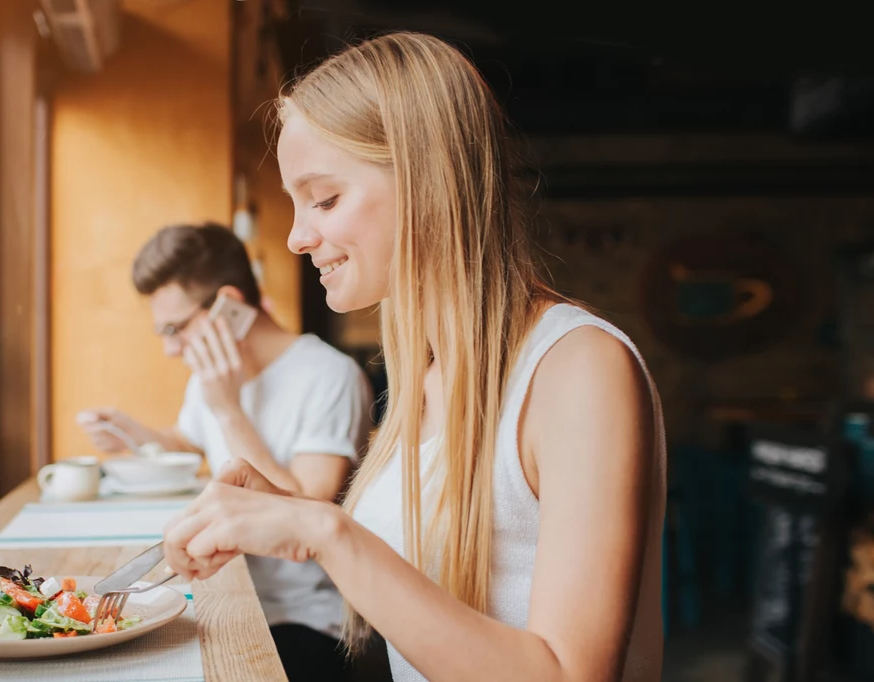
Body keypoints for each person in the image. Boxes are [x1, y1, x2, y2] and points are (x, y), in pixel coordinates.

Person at [162, 32, 667, 682]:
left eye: (324, 199)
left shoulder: (578, 369)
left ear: (428, 182)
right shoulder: (424, 374)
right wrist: (294, 521)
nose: (296, 236)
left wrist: (327, 532)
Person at [78, 223, 373, 681]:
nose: (170, 348)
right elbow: (189, 440)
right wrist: (135, 435)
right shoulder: (210, 378)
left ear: (229, 306)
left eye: (175, 328)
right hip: (226, 595)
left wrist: (229, 408)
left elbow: (308, 509)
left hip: (306, 619)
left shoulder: (328, 375)